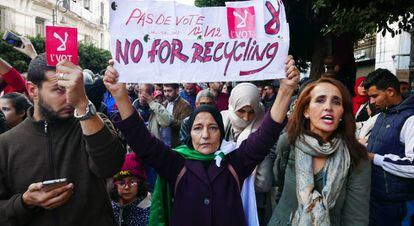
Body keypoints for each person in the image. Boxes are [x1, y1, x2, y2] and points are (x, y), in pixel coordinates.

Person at [103, 56, 299, 226]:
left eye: (213, 128)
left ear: (221, 134)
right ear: (190, 134)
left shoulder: (235, 162)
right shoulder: (176, 164)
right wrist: (120, 95)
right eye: (198, 128)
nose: (205, 135)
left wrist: (285, 91)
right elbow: (142, 141)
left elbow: (266, 135)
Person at [0, 54, 125, 226]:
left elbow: (110, 166)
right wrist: (24, 202)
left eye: (75, 87)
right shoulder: (5, 144)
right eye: (59, 89)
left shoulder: (93, 122)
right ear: (32, 90)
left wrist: (83, 105)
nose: (69, 97)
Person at [268, 77, 371, 226]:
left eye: (336, 102)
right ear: (306, 111)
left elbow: (356, 218)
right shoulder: (288, 143)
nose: (328, 107)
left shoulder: (356, 156)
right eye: (320, 100)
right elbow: (279, 188)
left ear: (342, 113)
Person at [363, 69, 414, 226]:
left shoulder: (410, 119)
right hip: (376, 197)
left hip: (396, 204)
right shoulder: (383, 114)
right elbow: (382, 145)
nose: (371, 101)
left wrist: (375, 158)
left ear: (390, 91)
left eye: (374, 96)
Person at [221, 83, 273, 226]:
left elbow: (264, 183)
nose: (245, 118)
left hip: (252, 203)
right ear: (232, 105)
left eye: (251, 112)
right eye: (241, 111)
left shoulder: (262, 132)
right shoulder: (220, 121)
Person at [111, 152, 151, 226]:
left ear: (140, 183)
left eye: (132, 182)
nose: (126, 187)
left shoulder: (148, 213)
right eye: (121, 183)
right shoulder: (110, 208)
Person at [163, 83, 192, 148]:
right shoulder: (164, 103)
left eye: (169, 91)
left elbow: (184, 125)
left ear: (177, 91)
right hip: (164, 142)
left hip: (177, 144)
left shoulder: (185, 105)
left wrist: (169, 121)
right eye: (165, 91)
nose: (166, 94)